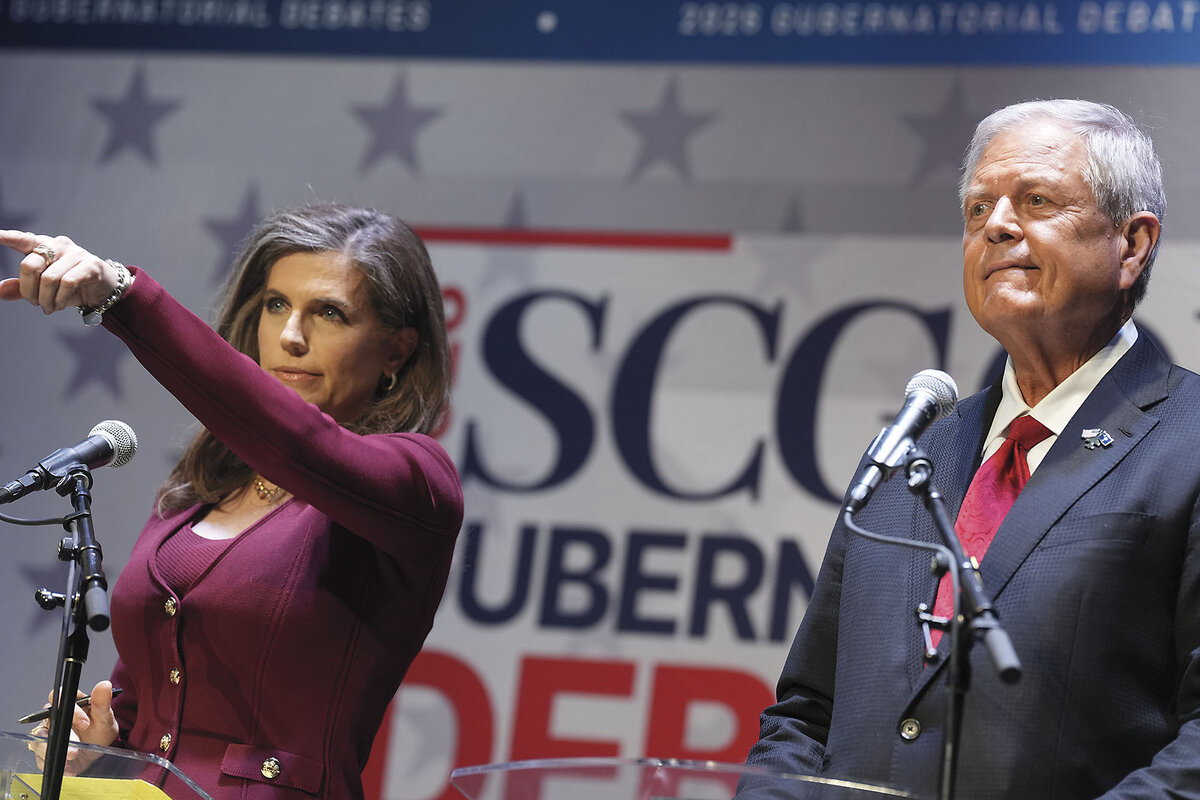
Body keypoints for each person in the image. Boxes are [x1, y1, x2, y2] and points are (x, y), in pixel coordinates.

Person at [745, 99, 1200, 799]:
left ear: (1131, 246)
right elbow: (808, 712)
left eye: (1037, 201)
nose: (997, 226)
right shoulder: (908, 454)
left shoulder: (1187, 438)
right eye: (978, 209)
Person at [0, 203, 464, 799]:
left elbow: (301, 442)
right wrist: (98, 741)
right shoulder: (197, 493)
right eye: (276, 305)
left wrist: (122, 297)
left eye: (329, 313)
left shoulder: (418, 484)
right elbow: (142, 700)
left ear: (396, 352)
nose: (291, 336)